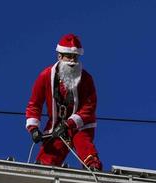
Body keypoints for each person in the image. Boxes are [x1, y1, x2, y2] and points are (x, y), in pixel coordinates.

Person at [25, 34, 102, 170]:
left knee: (85, 147)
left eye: (75, 57)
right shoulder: (45, 76)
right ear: (59, 56)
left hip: (80, 124)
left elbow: (89, 107)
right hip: (57, 124)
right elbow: (34, 105)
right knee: (48, 156)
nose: (72, 61)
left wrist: (69, 124)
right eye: (69, 56)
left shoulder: (86, 79)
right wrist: (34, 129)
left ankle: (93, 170)